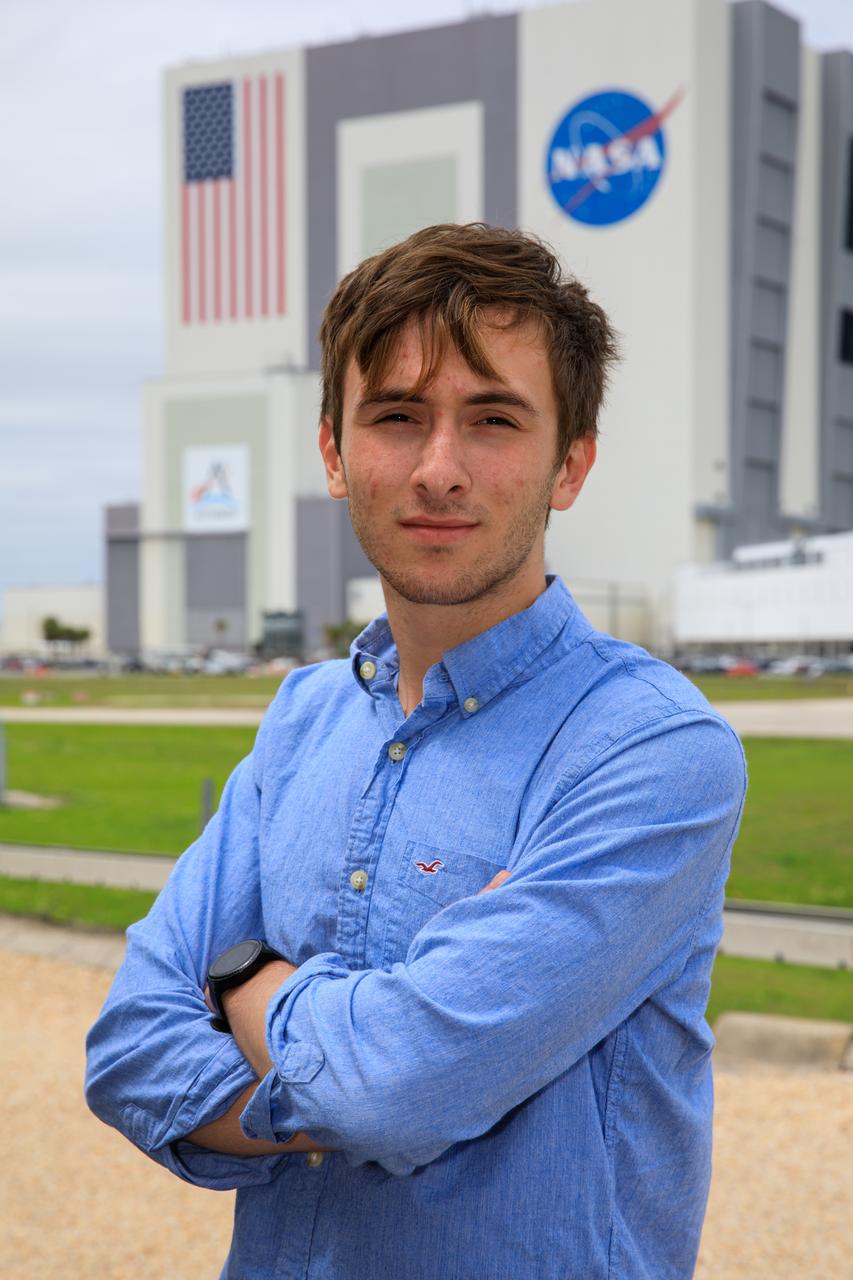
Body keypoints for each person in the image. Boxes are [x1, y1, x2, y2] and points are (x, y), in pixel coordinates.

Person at [86, 223, 746, 1280]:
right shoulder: (302, 719)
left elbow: (391, 1086)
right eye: (398, 416)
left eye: (493, 419)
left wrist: (247, 980)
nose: (439, 468)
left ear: (569, 462)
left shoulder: (652, 750)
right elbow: (127, 1046)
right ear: (335, 454)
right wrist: (368, 1075)